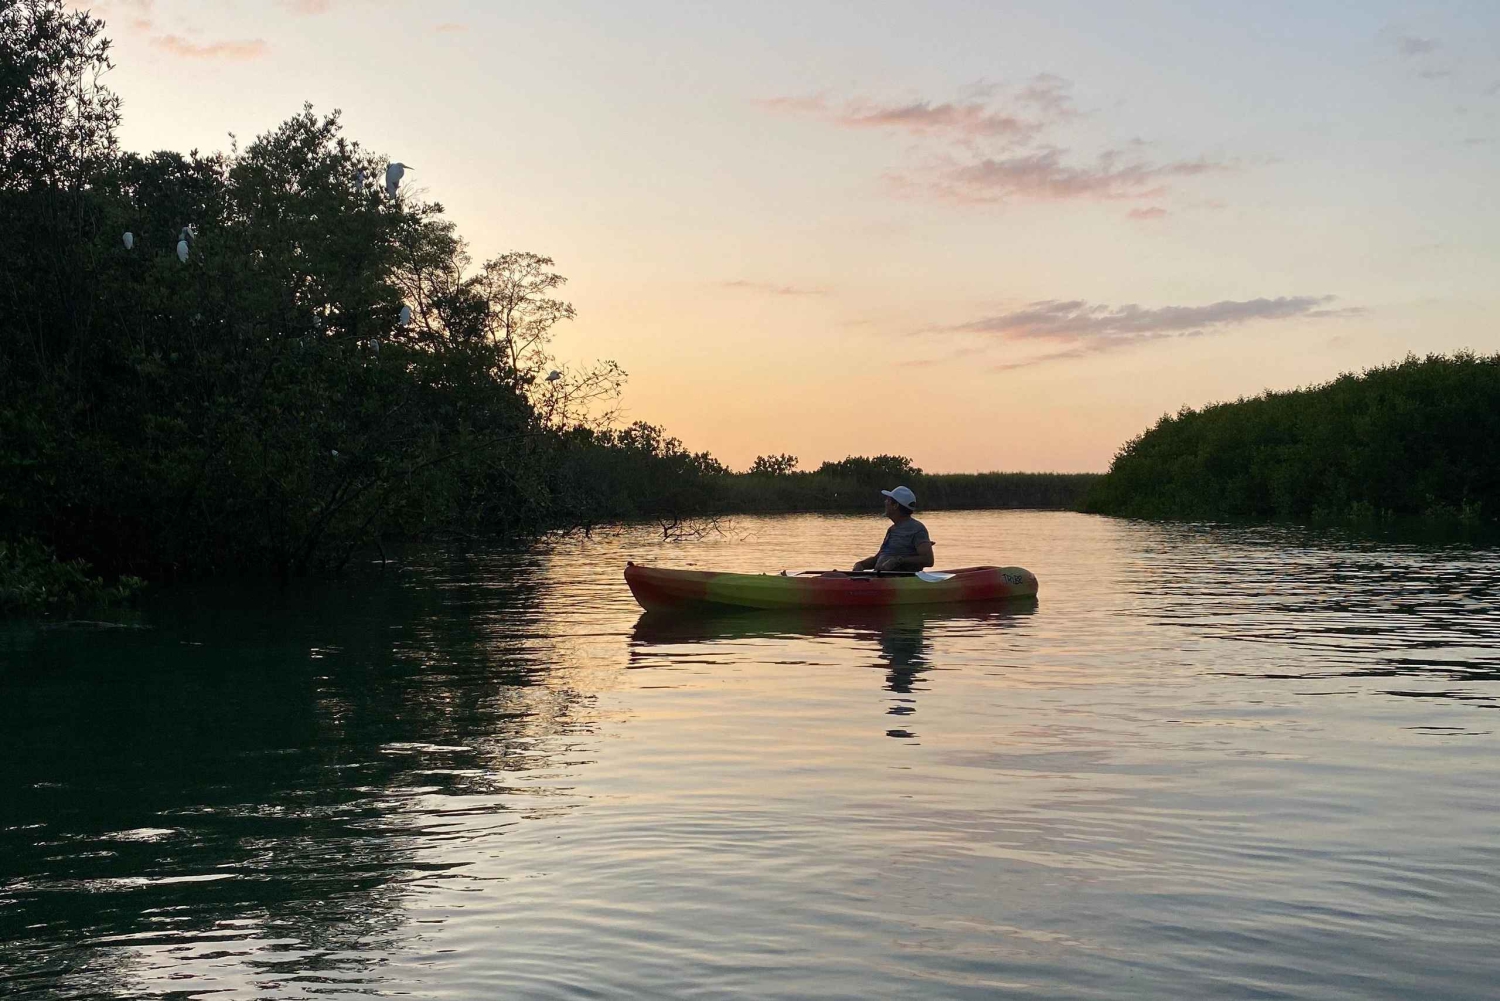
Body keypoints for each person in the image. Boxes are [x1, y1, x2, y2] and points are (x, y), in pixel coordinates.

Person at [852, 486, 935, 572]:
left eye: (888, 500)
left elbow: (928, 560)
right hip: (878, 577)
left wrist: (899, 560)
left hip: (898, 581)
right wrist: (861, 564)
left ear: (895, 506)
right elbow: (879, 558)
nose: (885, 502)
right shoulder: (892, 530)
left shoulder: (918, 529)